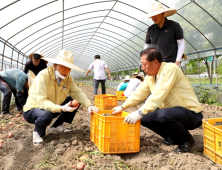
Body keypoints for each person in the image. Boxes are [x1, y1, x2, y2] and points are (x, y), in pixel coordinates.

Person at [112, 46, 202, 153]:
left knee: (162, 115)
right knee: (146, 118)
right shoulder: (150, 77)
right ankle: (172, 137)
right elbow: (139, 93)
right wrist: (122, 107)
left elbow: (159, 94)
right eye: (142, 65)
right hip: (173, 113)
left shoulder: (170, 69)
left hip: (191, 114)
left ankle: (187, 140)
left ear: (155, 63)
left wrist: (140, 111)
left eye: (144, 64)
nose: (143, 68)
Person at [23, 50, 99, 146]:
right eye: (64, 67)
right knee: (46, 114)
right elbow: (42, 102)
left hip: (53, 108)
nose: (66, 71)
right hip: (34, 110)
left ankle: (56, 126)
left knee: (74, 101)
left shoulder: (68, 78)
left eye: (69, 68)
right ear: (55, 64)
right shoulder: (43, 76)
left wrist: (89, 105)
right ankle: (37, 132)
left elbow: (77, 92)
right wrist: (62, 108)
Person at [144, 2, 185, 66]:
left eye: (156, 14)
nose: (153, 17)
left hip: (171, 63)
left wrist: (177, 62)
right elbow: (146, 47)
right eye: (152, 15)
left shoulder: (174, 26)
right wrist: (145, 61)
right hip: (156, 64)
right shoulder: (150, 29)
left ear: (163, 13)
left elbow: (181, 44)